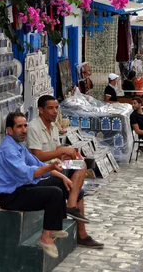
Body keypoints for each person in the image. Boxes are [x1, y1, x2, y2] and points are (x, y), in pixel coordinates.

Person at [27, 95, 104, 249]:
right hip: (44, 171)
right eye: (50, 108)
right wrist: (60, 151)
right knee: (78, 188)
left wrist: (65, 154)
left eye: (56, 107)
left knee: (81, 165)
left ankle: (75, 215)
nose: (55, 111)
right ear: (40, 110)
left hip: (57, 165)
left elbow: (54, 150)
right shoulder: (33, 127)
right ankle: (77, 221)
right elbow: (37, 156)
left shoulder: (54, 126)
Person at [0, 111, 72, 259]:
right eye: (19, 127)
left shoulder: (18, 145)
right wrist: (50, 167)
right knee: (54, 194)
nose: (24, 130)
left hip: (23, 188)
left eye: (25, 126)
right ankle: (45, 238)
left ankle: (54, 227)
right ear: (10, 130)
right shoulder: (8, 150)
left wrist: (62, 176)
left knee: (59, 182)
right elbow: (27, 172)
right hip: (11, 197)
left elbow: (36, 163)